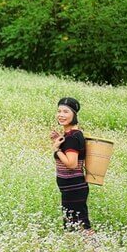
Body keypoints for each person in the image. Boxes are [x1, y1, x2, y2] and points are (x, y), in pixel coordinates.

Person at [50, 97, 93, 233]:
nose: (61, 115)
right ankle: (79, 245)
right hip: (72, 188)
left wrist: (56, 149)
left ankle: (93, 245)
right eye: (59, 111)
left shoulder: (72, 137)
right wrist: (59, 140)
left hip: (74, 187)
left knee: (80, 225)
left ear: (74, 114)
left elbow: (72, 164)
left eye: (66, 112)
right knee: (73, 225)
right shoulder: (72, 135)